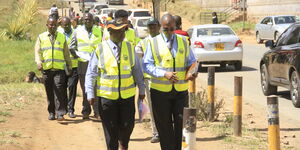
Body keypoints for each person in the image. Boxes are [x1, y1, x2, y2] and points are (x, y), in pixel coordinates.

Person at [85, 20, 145, 150]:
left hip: (127, 97)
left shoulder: (129, 48)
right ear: (110, 32)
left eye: (123, 30)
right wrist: (90, 93)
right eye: (118, 31)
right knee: (110, 132)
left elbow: (137, 71)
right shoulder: (99, 49)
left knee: (128, 126)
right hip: (107, 98)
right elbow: (91, 73)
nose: (121, 33)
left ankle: (123, 144)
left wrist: (141, 88)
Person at [143, 14, 197, 150]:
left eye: (172, 29)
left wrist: (192, 72)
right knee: (164, 126)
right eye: (166, 29)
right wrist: (164, 74)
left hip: (180, 92)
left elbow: (192, 62)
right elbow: (146, 65)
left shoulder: (184, 41)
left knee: (180, 125)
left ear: (176, 27)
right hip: (159, 93)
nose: (169, 32)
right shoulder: (153, 42)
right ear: (161, 28)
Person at [34, 17, 72, 121]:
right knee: (49, 91)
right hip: (46, 69)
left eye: (54, 25)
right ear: (47, 25)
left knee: (59, 90)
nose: (53, 26)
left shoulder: (62, 37)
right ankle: (51, 112)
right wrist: (38, 62)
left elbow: (66, 53)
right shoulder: (41, 37)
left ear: (57, 25)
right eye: (50, 24)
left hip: (59, 70)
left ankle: (60, 113)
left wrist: (69, 65)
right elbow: (37, 51)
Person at [69, 13, 102, 119]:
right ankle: (86, 111)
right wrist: (77, 55)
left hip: (96, 63)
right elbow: (72, 47)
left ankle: (97, 112)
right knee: (85, 88)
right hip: (83, 63)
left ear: (93, 21)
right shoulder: (77, 31)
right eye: (86, 20)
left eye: (90, 20)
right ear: (83, 21)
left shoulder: (99, 30)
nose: (88, 21)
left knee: (96, 88)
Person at [135, 17, 160, 143]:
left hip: (165, 80)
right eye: (150, 26)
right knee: (153, 107)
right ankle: (156, 132)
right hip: (150, 80)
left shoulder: (166, 40)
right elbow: (137, 58)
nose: (152, 28)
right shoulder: (143, 42)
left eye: (154, 26)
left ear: (159, 27)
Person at [60, 17, 79, 118]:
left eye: (67, 24)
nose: (66, 26)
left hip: (74, 65)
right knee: (62, 88)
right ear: (61, 25)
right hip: (62, 66)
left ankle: (71, 109)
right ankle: (64, 109)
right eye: (64, 25)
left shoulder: (75, 33)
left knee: (72, 87)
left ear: (70, 24)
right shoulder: (59, 33)